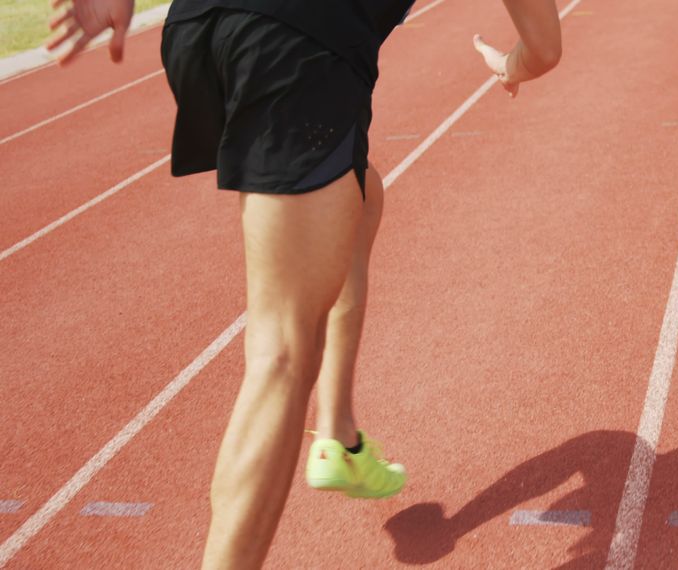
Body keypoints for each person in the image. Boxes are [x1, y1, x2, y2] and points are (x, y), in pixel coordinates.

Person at [45, 0, 563, 568]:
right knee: (282, 353)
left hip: (200, 27)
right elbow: (542, 48)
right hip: (295, 41)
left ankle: (337, 435)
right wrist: (508, 65)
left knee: (360, 196)